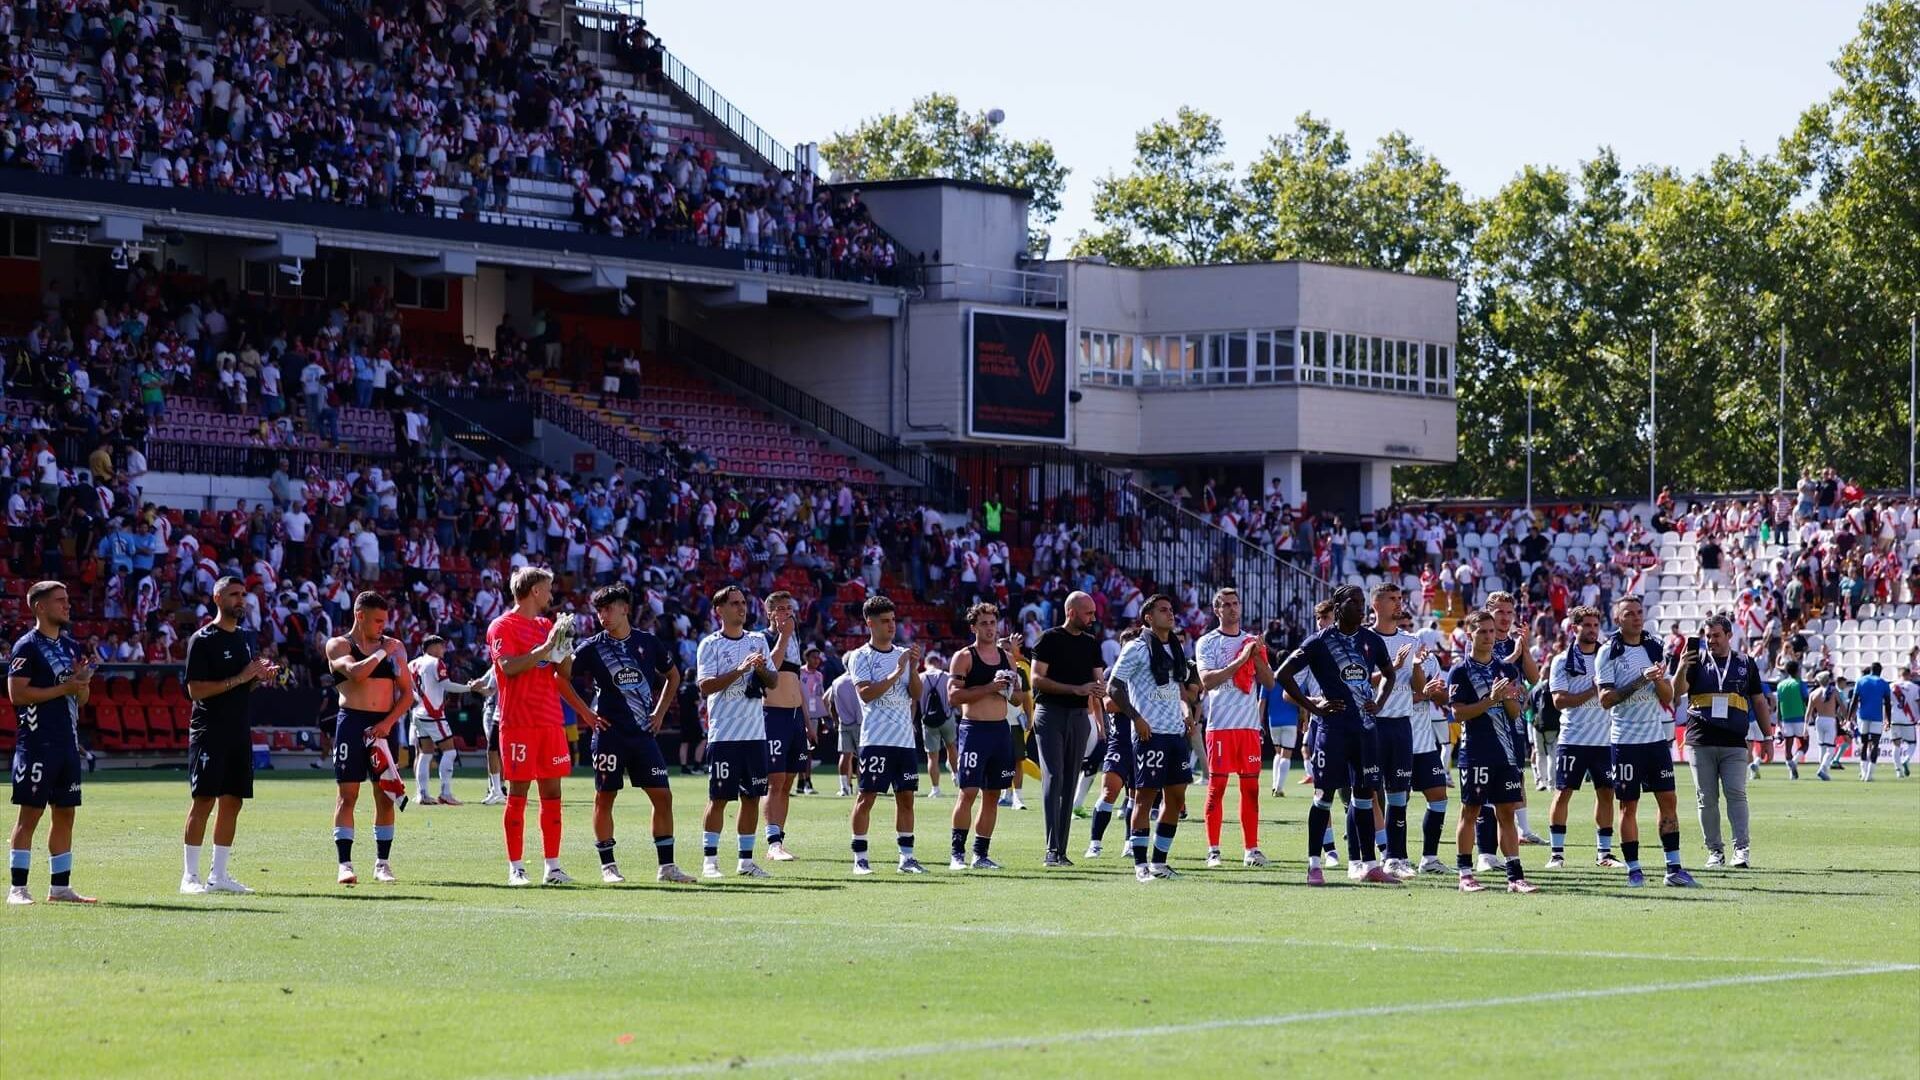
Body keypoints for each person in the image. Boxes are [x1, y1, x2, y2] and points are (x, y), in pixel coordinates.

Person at [1274, 584, 1400, 886]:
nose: (1360, 607)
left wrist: (1379, 702)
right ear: (1339, 606)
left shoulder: (1371, 640)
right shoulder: (1319, 641)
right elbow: (1283, 674)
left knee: (1365, 797)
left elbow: (1389, 673)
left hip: (1365, 732)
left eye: (1361, 602)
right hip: (1332, 732)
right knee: (1324, 797)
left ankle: (1369, 866)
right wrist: (1314, 708)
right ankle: (1314, 866)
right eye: (1354, 602)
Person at [570, 585, 694, 884]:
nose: (603, 615)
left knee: (663, 797)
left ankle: (666, 867)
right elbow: (560, 678)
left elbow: (673, 675)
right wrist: (586, 713)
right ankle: (608, 867)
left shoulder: (648, 642)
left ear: (624, 608)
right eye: (598, 610)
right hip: (609, 734)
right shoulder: (591, 646)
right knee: (605, 797)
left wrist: (660, 712)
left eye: (608, 608)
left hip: (642, 734)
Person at [487, 567, 602, 886]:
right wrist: (545, 646)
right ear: (534, 590)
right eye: (548, 589)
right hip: (519, 721)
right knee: (519, 794)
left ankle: (552, 866)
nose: (552, 595)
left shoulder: (546, 625)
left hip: (550, 719)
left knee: (552, 793)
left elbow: (562, 673)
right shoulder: (502, 626)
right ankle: (516, 868)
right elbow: (508, 668)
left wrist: (563, 646)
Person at [180, 576, 278, 894]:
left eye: (244, 595)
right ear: (217, 598)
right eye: (234, 594)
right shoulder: (202, 639)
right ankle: (190, 877)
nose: (241, 600)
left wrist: (259, 677)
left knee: (233, 802)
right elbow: (195, 690)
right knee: (204, 800)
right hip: (209, 731)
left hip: (238, 730)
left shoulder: (245, 638)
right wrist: (241, 677)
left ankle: (219, 875)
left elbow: (244, 683)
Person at [7, 581, 99, 905]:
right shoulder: (26, 647)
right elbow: (17, 695)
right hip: (36, 744)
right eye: (60, 600)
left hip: (67, 744)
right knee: (29, 816)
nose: (67, 605)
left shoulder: (72, 647)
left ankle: (60, 888)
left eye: (67, 599)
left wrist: (83, 684)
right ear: (40, 607)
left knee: (65, 814)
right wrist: (65, 688)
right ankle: (17, 889)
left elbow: (81, 698)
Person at [1595, 596, 1695, 887]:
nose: (1637, 618)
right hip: (1625, 741)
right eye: (1629, 613)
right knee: (1628, 806)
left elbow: (1667, 697)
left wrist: (1658, 680)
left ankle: (1673, 869)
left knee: (1669, 801)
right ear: (1618, 619)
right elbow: (1604, 700)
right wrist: (1640, 680)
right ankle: (1634, 870)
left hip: (1655, 740)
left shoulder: (1654, 646)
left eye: (1640, 612)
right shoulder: (1608, 652)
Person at [325, 592, 418, 886]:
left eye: (385, 622)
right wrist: (381, 652)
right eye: (377, 621)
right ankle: (345, 865)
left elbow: (408, 694)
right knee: (348, 795)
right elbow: (356, 673)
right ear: (359, 615)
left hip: (383, 726)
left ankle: (382, 863)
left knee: (385, 795)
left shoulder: (396, 647)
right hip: (351, 722)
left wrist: (388, 723)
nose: (382, 627)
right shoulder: (339, 645)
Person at [1109, 596, 1198, 881]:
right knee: (1144, 798)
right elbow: (1114, 687)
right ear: (1148, 617)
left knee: (1176, 798)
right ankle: (1140, 866)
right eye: (1163, 610)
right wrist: (1136, 718)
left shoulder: (1175, 647)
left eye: (1171, 610)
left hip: (1175, 734)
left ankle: (1160, 863)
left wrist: (1185, 711)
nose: (1170, 614)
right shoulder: (1135, 648)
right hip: (1150, 734)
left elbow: (1178, 690)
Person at [1448, 610, 1537, 894]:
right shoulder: (1460, 671)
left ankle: (1515, 876)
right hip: (1476, 753)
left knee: (1507, 813)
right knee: (1470, 811)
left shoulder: (1507, 670)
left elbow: (1513, 713)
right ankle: (1465, 874)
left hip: (1508, 753)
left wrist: (1510, 697)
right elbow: (1458, 714)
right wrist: (1490, 700)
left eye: (1490, 632)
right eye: (1482, 632)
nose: (1488, 637)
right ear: (1470, 634)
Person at [1673, 615, 1772, 869]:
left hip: (1734, 741)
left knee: (1737, 794)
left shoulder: (1745, 663)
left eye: (1716, 635)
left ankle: (1741, 849)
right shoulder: (1695, 661)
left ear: (1729, 635)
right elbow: (1676, 693)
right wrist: (1683, 666)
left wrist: (1768, 736)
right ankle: (1714, 851)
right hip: (1699, 739)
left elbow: (1759, 701)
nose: (1711, 640)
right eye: (1708, 636)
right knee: (1706, 798)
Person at [693, 585, 776, 879]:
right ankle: (710, 861)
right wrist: (741, 670)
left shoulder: (757, 640)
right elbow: (705, 687)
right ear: (720, 610)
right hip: (724, 734)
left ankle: (745, 861)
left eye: (743, 603)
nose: (742, 608)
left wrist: (761, 670)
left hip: (754, 734)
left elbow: (773, 681)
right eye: (735, 604)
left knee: (752, 797)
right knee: (719, 798)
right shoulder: (710, 645)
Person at [1194, 587, 1274, 869]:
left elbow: (1269, 682)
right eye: (1226, 604)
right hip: (1220, 726)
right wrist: (1241, 659)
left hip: (1249, 727)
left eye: (1235, 603)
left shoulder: (1251, 641)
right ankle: (1213, 850)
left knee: (1250, 790)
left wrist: (1257, 655)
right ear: (1217, 610)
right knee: (1217, 789)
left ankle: (1251, 849)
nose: (1231, 608)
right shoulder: (1207, 642)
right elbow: (1207, 681)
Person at [846, 596, 925, 875]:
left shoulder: (902, 654)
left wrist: (912, 668)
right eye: (885, 621)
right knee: (866, 798)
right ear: (870, 623)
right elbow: (866, 694)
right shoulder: (860, 656)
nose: (891, 626)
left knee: (906, 799)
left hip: (904, 740)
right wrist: (896, 672)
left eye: (893, 620)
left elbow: (916, 694)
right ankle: (860, 859)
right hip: (876, 740)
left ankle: (906, 858)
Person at [1029, 592, 1106, 867]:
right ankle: (1052, 848)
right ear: (1071, 612)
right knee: (1054, 776)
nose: (1093, 617)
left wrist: (1100, 688)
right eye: (1088, 613)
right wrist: (1076, 689)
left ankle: (1061, 850)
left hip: (1078, 716)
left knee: (1071, 779)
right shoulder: (1049, 638)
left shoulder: (1090, 643)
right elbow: (1036, 679)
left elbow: (1099, 679)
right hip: (1050, 712)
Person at [1544, 605, 1621, 871]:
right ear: (1574, 627)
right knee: (1563, 793)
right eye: (1586, 625)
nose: (1591, 630)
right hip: (1572, 738)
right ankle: (1556, 854)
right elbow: (1559, 701)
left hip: (1604, 739)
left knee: (1607, 794)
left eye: (1595, 625)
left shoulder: (1608, 657)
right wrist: (1593, 690)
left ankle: (1605, 854)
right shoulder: (1561, 660)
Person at [944, 602, 1017, 870]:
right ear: (974, 627)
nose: (990, 628)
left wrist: (1009, 689)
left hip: (1000, 731)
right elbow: (953, 696)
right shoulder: (964, 657)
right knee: (968, 792)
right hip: (974, 730)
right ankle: (956, 854)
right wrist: (989, 687)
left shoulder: (1006, 657)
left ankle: (981, 854)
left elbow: (1019, 698)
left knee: (993, 794)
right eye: (984, 623)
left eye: (992, 623)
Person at [1363, 583, 1421, 878]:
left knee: (1399, 795)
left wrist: (1422, 675)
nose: (1399, 604)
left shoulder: (1411, 640)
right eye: (1392, 599)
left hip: (1401, 724)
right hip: (1372, 724)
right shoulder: (1364, 640)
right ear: (1376, 605)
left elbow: (1416, 690)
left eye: (1400, 598)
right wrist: (1391, 669)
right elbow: (1359, 682)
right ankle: (1365, 858)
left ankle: (1396, 857)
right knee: (1366, 793)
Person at [1398, 608, 1455, 875]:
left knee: (1439, 797)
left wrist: (1432, 693)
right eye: (1404, 624)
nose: (1407, 629)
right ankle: (1395, 858)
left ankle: (1429, 858)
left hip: (1424, 742)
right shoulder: (1389, 655)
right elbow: (1385, 698)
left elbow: (1442, 698)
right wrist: (1422, 694)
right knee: (1398, 799)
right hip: (1396, 740)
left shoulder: (1428, 658)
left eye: (1410, 624)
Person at [757, 591, 805, 860]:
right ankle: (772, 844)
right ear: (770, 613)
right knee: (774, 781)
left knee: (788, 781)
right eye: (781, 608)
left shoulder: (796, 639)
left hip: (795, 717)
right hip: (773, 715)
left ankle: (779, 838)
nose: (787, 612)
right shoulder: (763, 638)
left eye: (790, 607)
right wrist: (784, 636)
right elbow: (770, 671)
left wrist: (807, 722)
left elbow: (795, 682)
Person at [407, 635, 476, 805]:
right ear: (432, 647)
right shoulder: (436, 663)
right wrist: (469, 688)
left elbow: (408, 689)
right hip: (434, 714)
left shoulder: (412, 664)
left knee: (425, 753)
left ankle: (422, 794)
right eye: (442, 646)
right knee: (450, 752)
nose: (444, 650)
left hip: (418, 713)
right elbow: (447, 685)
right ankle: (445, 793)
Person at [920, 653, 958, 798]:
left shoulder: (920, 677)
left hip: (928, 722)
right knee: (951, 746)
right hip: (947, 718)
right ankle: (956, 774)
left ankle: (935, 789)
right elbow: (953, 698)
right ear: (939, 662)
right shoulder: (947, 676)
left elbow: (914, 703)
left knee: (932, 757)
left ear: (926, 663)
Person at [1848, 662, 1891, 783]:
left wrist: (1848, 717)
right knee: (1875, 744)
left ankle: (1863, 772)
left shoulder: (1861, 681)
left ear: (1871, 670)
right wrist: (1889, 720)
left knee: (1864, 743)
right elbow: (1887, 703)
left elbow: (1854, 701)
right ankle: (1869, 774)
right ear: (1880, 671)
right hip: (1877, 717)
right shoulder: (1883, 683)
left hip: (1862, 716)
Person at [828, 666, 863, 798]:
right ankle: (861, 788)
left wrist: (836, 721)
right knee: (862, 757)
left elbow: (830, 704)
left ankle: (844, 788)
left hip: (844, 723)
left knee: (845, 755)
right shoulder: (859, 680)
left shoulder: (836, 681)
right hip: (861, 723)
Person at [1774, 660, 1809, 780]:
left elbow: (1778, 705)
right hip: (1799, 717)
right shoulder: (1800, 683)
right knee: (1805, 744)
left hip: (1785, 719)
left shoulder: (1780, 685)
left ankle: (1791, 772)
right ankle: (1794, 762)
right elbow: (1806, 700)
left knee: (1788, 746)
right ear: (1798, 670)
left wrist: (1778, 720)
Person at [1808, 671, 1844, 781]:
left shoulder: (1814, 693)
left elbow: (1808, 712)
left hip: (1819, 720)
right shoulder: (1833, 691)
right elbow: (1842, 706)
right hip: (1830, 720)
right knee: (1831, 749)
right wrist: (1846, 718)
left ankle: (1823, 771)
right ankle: (1823, 768)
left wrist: (1806, 726)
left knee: (1822, 747)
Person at [1892, 667, 1920, 779]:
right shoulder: (1914, 687)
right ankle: (1906, 760)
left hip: (1894, 718)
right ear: (1909, 675)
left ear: (1899, 675)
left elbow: (1887, 704)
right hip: (1908, 719)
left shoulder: (1892, 686)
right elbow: (1918, 703)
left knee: (1896, 744)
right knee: (1912, 744)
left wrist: (1886, 719)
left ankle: (1898, 771)